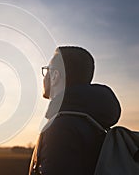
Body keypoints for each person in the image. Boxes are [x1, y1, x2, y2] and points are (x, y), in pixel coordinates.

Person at [29, 46, 121, 175]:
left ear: (55, 75)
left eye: (47, 70)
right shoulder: (94, 124)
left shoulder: (61, 128)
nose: (44, 77)